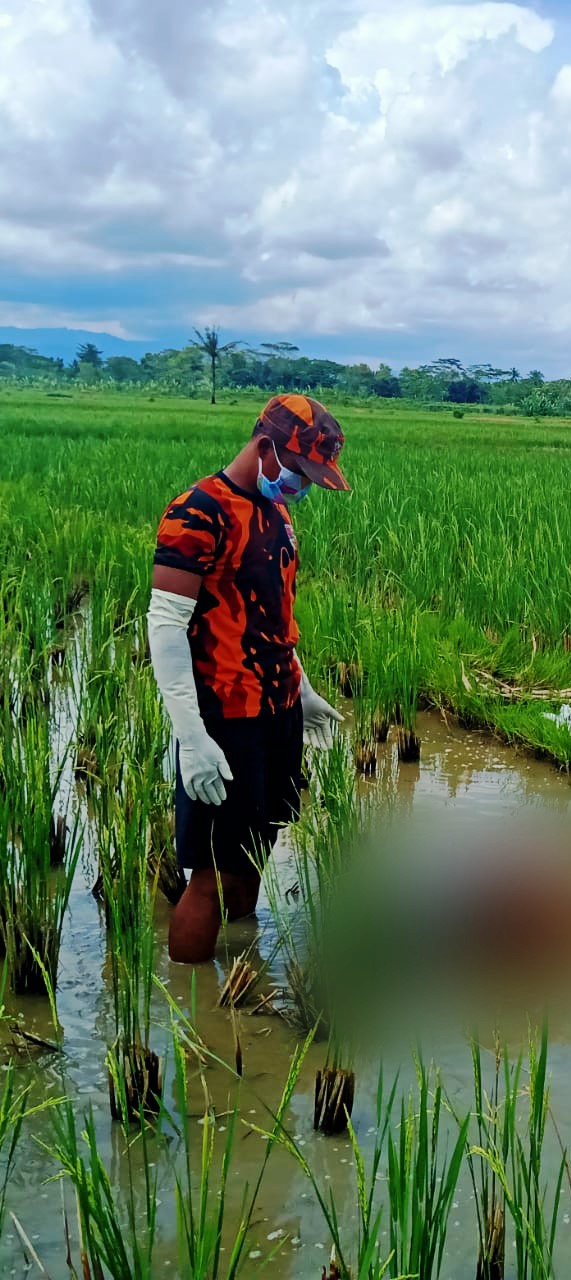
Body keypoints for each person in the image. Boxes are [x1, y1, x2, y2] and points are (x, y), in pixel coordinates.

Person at [148, 394, 351, 964]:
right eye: (299, 472)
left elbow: (275, 614)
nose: (301, 488)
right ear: (265, 448)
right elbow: (165, 628)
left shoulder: (277, 514)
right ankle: (192, 1014)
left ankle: (240, 968)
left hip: (276, 709)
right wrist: (192, 737)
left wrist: (301, 688)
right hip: (224, 715)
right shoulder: (197, 511)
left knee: (257, 847)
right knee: (212, 868)